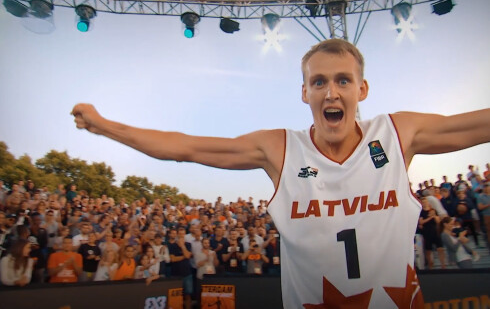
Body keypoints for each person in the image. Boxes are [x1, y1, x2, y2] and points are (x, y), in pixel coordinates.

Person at [72, 39, 490, 308]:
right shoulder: (280, 148)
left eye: (344, 80)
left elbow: (476, 124)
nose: (331, 92)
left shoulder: (397, 133)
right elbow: (186, 147)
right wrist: (105, 125)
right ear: (304, 92)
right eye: (319, 82)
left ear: (362, 90)